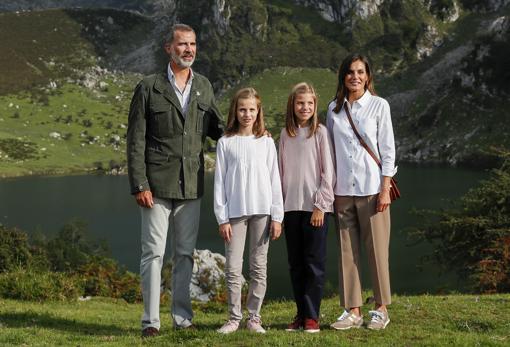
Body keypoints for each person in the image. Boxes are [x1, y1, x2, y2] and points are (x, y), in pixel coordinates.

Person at [126, 23, 224, 337]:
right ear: (168, 47)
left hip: (192, 184)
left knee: (184, 254)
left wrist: (251, 134)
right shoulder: (148, 87)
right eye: (182, 44)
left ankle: (182, 317)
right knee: (153, 253)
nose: (188, 50)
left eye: (193, 44)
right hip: (155, 185)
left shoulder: (204, 86)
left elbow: (217, 130)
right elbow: (135, 139)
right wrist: (139, 184)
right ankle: (150, 322)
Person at [326, 53, 396, 331]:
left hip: (372, 189)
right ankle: (352, 310)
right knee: (347, 252)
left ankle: (380, 309)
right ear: (343, 76)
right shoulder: (334, 109)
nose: (355, 77)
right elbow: (330, 151)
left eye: (360, 72)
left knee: (376, 251)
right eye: (350, 72)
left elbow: (388, 150)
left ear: (368, 76)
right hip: (342, 191)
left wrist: (385, 188)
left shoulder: (379, 106)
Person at [213, 87, 284, 334]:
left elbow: (275, 180)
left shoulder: (265, 142)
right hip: (234, 213)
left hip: (262, 212)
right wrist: (222, 218)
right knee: (233, 267)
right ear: (235, 111)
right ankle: (234, 317)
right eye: (242, 109)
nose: (247, 114)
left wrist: (277, 216)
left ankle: (254, 317)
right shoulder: (225, 143)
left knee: (258, 266)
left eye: (252, 109)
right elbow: (219, 182)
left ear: (258, 111)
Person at [278, 82, 335, 333]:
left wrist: (321, 205)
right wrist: (278, 210)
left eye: (310, 103)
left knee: (314, 263)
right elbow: (278, 174)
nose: (305, 107)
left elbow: (328, 173)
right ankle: (300, 314)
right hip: (290, 208)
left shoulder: (320, 132)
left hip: (315, 210)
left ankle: (313, 316)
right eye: (300, 103)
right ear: (293, 104)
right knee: (296, 264)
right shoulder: (284, 134)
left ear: (315, 106)